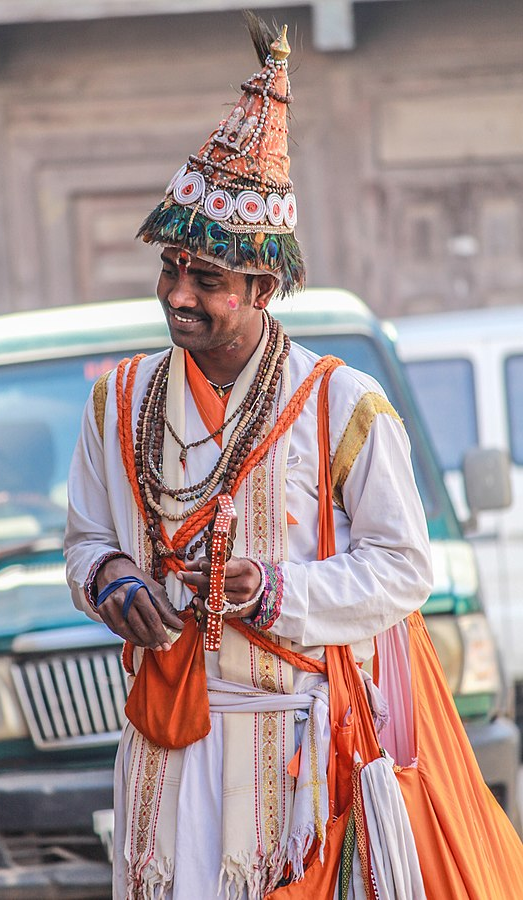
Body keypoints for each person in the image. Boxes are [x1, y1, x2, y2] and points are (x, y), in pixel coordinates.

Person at [65, 16, 523, 900]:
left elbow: (402, 569)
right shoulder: (118, 400)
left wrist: (276, 590)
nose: (179, 295)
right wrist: (112, 582)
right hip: (161, 749)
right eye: (172, 270)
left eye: (208, 280)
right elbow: (86, 541)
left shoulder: (341, 403)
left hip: (297, 752)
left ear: (264, 290)